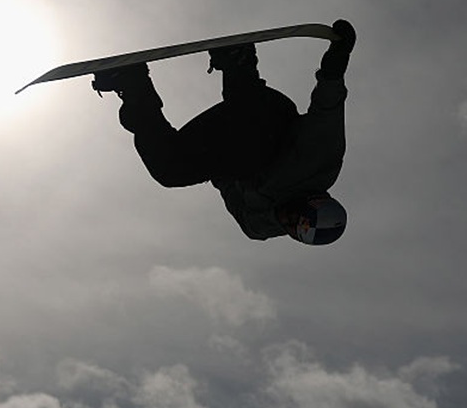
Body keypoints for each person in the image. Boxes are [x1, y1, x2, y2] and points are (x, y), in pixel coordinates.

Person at [92, 18, 356, 245]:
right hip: (267, 118)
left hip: (230, 147)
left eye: (291, 227)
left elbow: (228, 186)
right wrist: (336, 64)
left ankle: (132, 81)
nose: (286, 219)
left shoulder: (260, 226)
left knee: (169, 170)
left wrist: (211, 169)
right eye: (295, 216)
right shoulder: (318, 164)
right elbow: (327, 111)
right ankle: (238, 65)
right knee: (252, 147)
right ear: (314, 202)